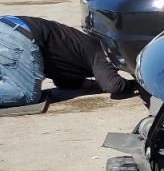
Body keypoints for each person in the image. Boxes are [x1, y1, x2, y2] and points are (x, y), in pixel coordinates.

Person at [0, 15, 138, 113]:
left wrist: (96, 85)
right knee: (27, 95)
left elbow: (66, 84)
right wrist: (137, 84)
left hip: (10, 27)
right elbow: (115, 87)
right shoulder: (103, 52)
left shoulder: (82, 50)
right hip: (18, 35)